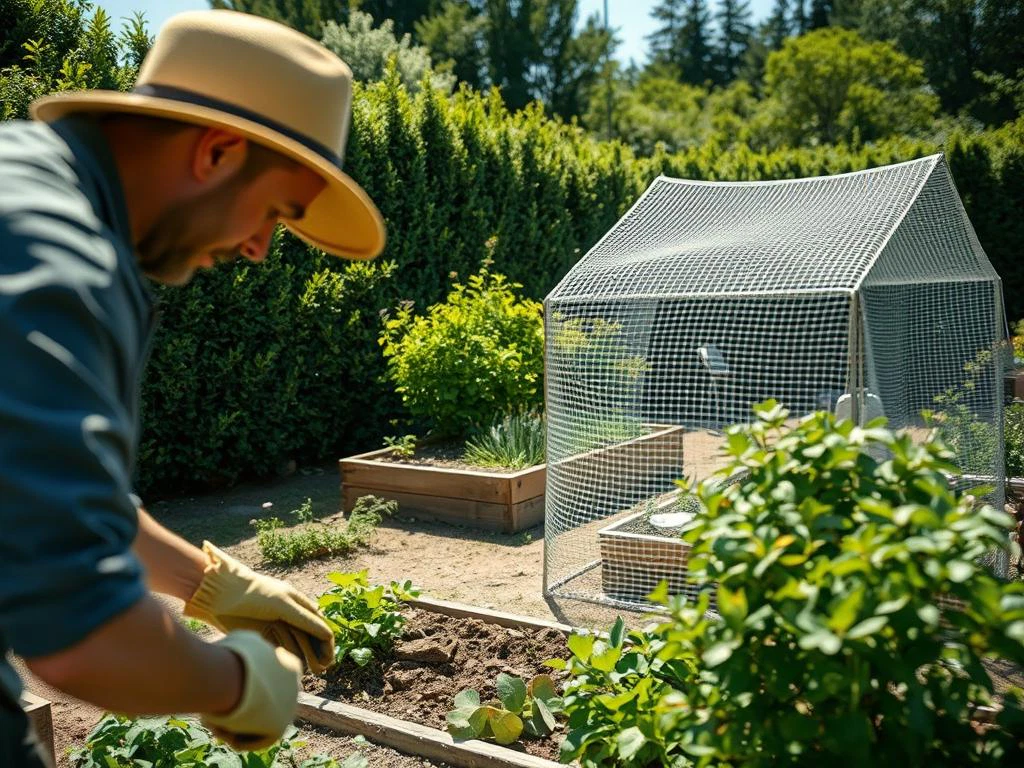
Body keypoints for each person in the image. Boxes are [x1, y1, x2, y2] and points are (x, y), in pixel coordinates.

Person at [0, 10, 386, 766]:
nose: (257, 248)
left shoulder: (26, 187)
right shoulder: (62, 264)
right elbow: (80, 633)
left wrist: (213, 584)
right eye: (275, 212)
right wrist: (235, 681)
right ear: (216, 150)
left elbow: (33, 490)